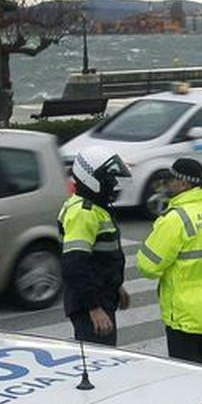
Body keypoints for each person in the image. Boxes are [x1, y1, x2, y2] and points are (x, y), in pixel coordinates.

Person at [136, 158, 202, 368]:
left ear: (184, 184)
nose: (168, 184)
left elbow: (148, 266)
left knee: (188, 376)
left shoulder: (175, 219)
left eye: (172, 180)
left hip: (183, 314)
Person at [60, 148, 131, 345]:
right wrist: (94, 308)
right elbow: (74, 264)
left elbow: (99, 257)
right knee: (98, 363)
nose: (114, 185)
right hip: (90, 303)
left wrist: (118, 286)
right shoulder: (84, 213)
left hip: (102, 294)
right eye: (109, 179)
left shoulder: (97, 208)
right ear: (90, 177)